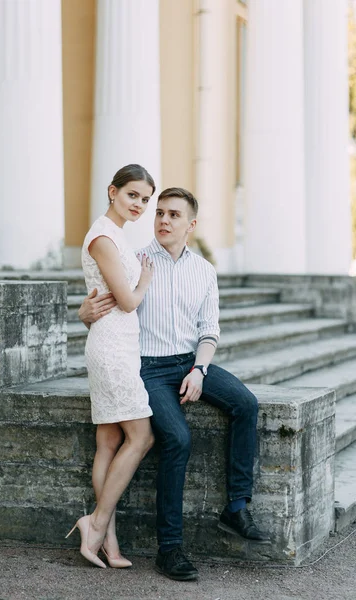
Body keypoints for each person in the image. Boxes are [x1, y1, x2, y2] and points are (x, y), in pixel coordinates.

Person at [78, 187, 270, 581]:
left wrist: (199, 370)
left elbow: (209, 330)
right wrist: (85, 311)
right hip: (148, 368)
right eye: (159, 213)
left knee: (246, 404)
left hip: (190, 362)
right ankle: (170, 548)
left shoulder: (204, 270)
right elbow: (108, 306)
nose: (164, 220)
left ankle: (236, 506)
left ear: (191, 224)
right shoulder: (135, 261)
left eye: (173, 215)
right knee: (177, 438)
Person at [66, 164, 156, 569]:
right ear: (113, 191)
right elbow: (127, 300)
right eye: (133, 194)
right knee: (141, 437)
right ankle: (97, 522)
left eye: (145, 198)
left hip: (118, 344)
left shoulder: (116, 234)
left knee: (108, 441)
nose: (139, 203)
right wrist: (145, 279)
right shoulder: (103, 235)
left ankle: (109, 543)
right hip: (111, 349)